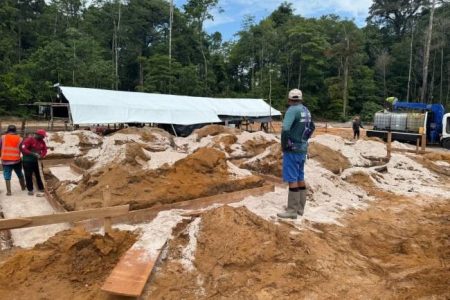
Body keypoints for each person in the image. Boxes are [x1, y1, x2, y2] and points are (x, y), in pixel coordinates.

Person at [277, 89, 315, 219]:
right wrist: (304, 140)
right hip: (302, 149)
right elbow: (312, 127)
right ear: (301, 99)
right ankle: (300, 209)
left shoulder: (292, 110)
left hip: (292, 150)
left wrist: (284, 145)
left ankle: (291, 211)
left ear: (289, 100)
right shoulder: (306, 110)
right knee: (300, 177)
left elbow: (285, 129)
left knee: (292, 179)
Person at [0, 125, 26, 195]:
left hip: (5, 160)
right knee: (20, 173)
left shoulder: (3, 137)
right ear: (15, 130)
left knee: (7, 175)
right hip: (16, 160)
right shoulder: (20, 138)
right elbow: (22, 149)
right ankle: (23, 187)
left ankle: (9, 192)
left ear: (8, 130)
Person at [21, 129, 48, 196]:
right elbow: (24, 148)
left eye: (44, 136)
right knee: (28, 175)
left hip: (37, 161)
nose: (43, 137)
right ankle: (30, 189)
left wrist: (41, 155)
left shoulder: (42, 142)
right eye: (42, 136)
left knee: (39, 175)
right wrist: (32, 154)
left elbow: (45, 150)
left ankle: (41, 188)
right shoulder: (29, 140)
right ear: (38, 135)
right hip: (27, 161)